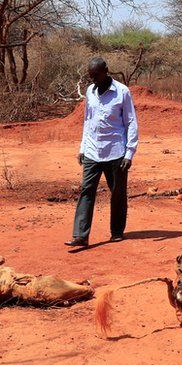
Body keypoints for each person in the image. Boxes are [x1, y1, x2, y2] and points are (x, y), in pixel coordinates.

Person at [65, 57, 138, 247]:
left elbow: (131, 122)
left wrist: (129, 153)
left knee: (118, 193)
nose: (94, 80)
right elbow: (88, 121)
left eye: (96, 75)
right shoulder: (90, 91)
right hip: (92, 151)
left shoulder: (122, 92)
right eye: (91, 76)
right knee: (86, 191)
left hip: (116, 152)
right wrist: (82, 147)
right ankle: (80, 235)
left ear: (106, 71)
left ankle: (116, 232)